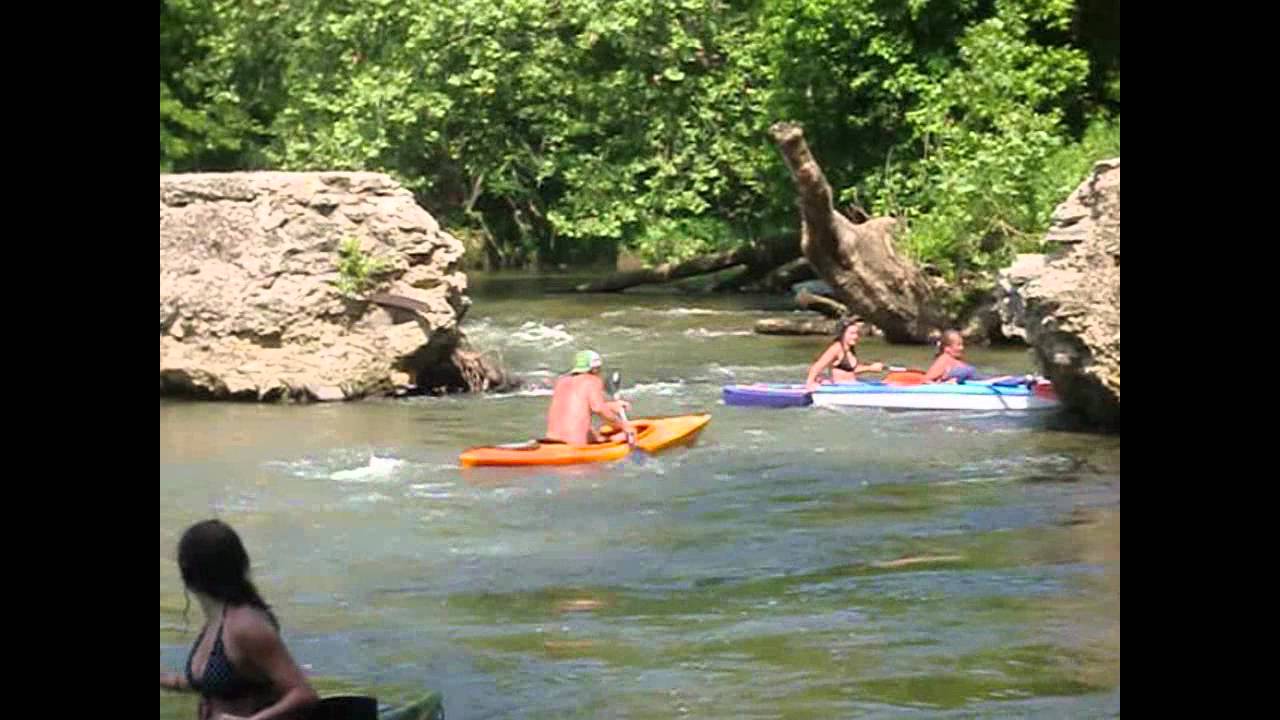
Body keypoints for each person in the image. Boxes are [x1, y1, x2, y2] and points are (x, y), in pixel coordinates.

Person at [160, 519, 319, 720]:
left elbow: (303, 694)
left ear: (187, 572)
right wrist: (167, 680)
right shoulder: (217, 618)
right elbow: (219, 684)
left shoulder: (246, 626)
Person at [545, 350, 636, 445]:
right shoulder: (592, 380)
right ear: (594, 369)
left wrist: (611, 406)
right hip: (574, 446)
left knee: (598, 436)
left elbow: (577, 409)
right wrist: (623, 426)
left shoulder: (561, 382)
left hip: (551, 442)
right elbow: (598, 408)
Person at [804, 318, 886, 391]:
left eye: (857, 333)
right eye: (852, 333)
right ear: (843, 334)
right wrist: (810, 383)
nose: (856, 336)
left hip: (853, 386)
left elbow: (851, 370)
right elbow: (817, 366)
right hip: (841, 389)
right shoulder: (836, 348)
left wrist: (871, 368)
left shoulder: (850, 349)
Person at [924, 329, 1032, 384]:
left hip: (983, 381)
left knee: (996, 379)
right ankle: (1026, 380)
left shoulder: (954, 361)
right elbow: (926, 380)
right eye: (958, 345)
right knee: (996, 380)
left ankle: (1026, 380)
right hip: (984, 384)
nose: (962, 348)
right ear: (947, 348)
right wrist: (945, 385)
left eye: (962, 344)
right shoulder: (944, 359)